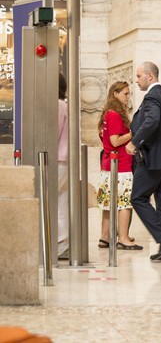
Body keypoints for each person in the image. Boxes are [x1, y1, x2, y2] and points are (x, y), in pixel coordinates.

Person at [127, 62, 161, 261]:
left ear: (150, 76)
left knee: (138, 198)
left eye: (139, 76)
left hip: (154, 159)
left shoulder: (152, 96)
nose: (137, 80)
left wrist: (134, 142)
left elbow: (152, 121)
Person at [96, 81, 142, 250]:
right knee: (124, 203)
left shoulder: (107, 114)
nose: (128, 97)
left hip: (109, 164)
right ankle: (122, 238)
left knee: (108, 203)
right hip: (120, 164)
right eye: (125, 93)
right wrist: (133, 133)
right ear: (115, 93)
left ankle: (105, 237)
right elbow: (115, 141)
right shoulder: (114, 114)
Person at [57, 73, 69, 258]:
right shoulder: (65, 104)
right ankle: (63, 243)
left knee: (57, 203)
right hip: (64, 159)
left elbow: (53, 132)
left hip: (57, 159)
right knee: (61, 202)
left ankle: (60, 243)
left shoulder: (58, 105)